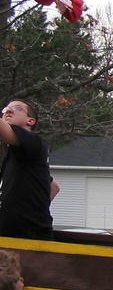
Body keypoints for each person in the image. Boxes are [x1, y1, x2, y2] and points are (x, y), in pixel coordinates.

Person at [0, 100, 54, 240]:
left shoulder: (33, 142)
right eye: (6, 108)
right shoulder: (20, 156)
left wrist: (30, 218)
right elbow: (54, 187)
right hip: (11, 236)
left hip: (29, 238)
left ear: (30, 121)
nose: (8, 111)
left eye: (17, 108)